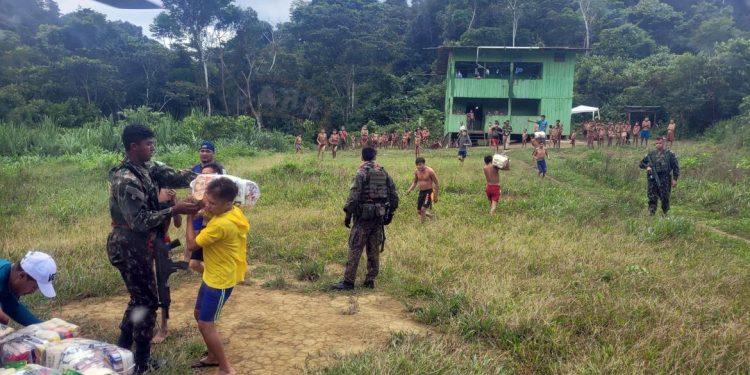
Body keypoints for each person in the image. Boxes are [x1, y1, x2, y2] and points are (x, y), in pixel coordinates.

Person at [108, 124, 201, 374]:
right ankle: (140, 363)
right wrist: (174, 210)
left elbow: (176, 176)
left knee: (140, 299)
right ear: (133, 147)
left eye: (152, 143)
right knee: (147, 302)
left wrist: (207, 178)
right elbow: (137, 221)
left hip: (140, 244)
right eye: (147, 144)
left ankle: (122, 353)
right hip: (128, 244)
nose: (152, 147)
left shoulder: (148, 167)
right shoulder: (125, 179)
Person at [185, 178, 249, 375]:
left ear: (228, 204)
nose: (208, 206)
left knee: (206, 323)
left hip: (220, 281)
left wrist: (189, 218)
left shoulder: (221, 224)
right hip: (211, 276)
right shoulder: (233, 211)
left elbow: (192, 245)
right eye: (208, 200)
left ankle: (226, 368)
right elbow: (210, 213)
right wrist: (205, 210)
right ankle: (213, 357)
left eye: (213, 204)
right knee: (198, 315)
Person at [332, 147, 398, 290]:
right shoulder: (383, 172)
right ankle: (370, 280)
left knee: (355, 247)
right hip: (379, 216)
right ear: (375, 156)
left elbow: (354, 196)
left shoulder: (361, 173)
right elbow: (394, 194)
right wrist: (390, 213)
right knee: (373, 249)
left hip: (363, 217)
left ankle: (348, 282)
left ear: (362, 157)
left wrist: (348, 215)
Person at [0, 251, 57, 326]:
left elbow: (13, 308)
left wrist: (44, 328)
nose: (33, 292)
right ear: (22, 276)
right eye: (34, 287)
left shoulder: (9, 279)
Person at [186, 163, 224, 274]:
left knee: (211, 261)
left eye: (208, 174)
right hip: (205, 228)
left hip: (218, 230)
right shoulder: (199, 190)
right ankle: (212, 277)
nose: (204, 176)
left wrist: (201, 212)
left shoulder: (223, 193)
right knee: (194, 263)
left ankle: (216, 279)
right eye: (202, 174)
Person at [639, 137, 679, 216]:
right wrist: (647, 167)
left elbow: (675, 167)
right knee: (652, 196)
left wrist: (675, 179)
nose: (658, 145)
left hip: (665, 178)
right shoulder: (651, 154)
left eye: (660, 143)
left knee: (665, 196)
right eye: (656, 143)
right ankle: (651, 212)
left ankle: (665, 213)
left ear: (663, 143)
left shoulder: (669, 154)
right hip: (652, 178)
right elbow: (641, 164)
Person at [406, 157, 439, 223]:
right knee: (419, 211)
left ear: (424, 164)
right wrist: (409, 190)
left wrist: (435, 196)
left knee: (423, 209)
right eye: (417, 165)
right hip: (421, 192)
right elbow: (415, 182)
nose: (418, 166)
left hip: (429, 192)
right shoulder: (417, 172)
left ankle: (422, 225)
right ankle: (431, 216)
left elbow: (437, 183)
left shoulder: (430, 171)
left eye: (420, 164)